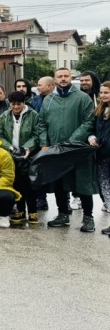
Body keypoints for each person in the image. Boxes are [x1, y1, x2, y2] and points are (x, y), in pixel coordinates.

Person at [39, 68, 98, 232]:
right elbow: (42, 123)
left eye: (66, 76)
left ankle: (88, 218)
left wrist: (71, 142)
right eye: (60, 76)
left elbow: (88, 122)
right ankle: (63, 214)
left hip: (77, 150)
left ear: (71, 78)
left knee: (83, 183)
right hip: (56, 151)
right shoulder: (48, 100)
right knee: (59, 183)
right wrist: (44, 143)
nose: (63, 79)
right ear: (55, 79)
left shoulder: (83, 98)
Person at [0, 91, 40, 225]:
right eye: (13, 104)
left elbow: (37, 134)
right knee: (16, 183)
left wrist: (28, 147)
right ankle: (20, 210)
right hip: (11, 154)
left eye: (18, 104)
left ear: (24, 103)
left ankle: (33, 211)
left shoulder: (33, 115)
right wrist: (9, 147)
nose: (15, 107)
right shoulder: (4, 116)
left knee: (30, 184)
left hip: (29, 154)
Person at [89, 81, 110, 223]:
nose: (102, 95)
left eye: (106, 92)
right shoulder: (99, 111)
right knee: (105, 187)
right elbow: (93, 130)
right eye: (101, 92)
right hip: (102, 155)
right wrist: (92, 138)